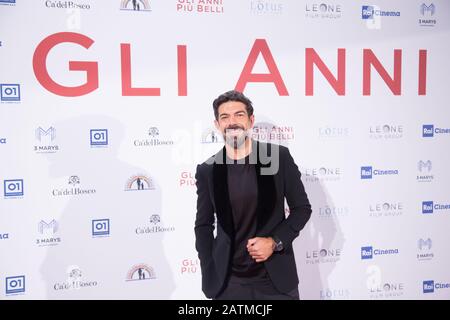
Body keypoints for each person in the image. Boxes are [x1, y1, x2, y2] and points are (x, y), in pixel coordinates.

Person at [194, 90, 312, 300]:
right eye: (225, 117)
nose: (232, 122)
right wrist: (209, 268)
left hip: (275, 282)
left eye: (239, 115)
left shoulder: (276, 157)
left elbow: (301, 209)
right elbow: (203, 226)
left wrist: (274, 242)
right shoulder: (209, 170)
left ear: (251, 120)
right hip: (228, 285)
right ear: (217, 124)